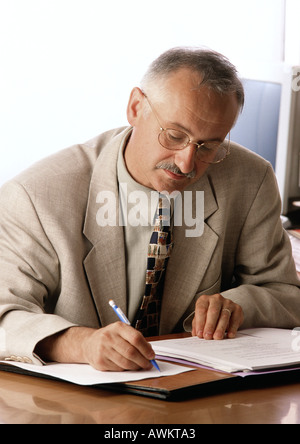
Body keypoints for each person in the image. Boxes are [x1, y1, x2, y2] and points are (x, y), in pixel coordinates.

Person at [0, 47, 299, 372]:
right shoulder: (38, 194)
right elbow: (5, 314)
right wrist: (83, 343)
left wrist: (239, 305)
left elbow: (284, 291)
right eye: (174, 135)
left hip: (196, 391)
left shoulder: (250, 179)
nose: (188, 162)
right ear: (135, 107)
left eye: (209, 146)